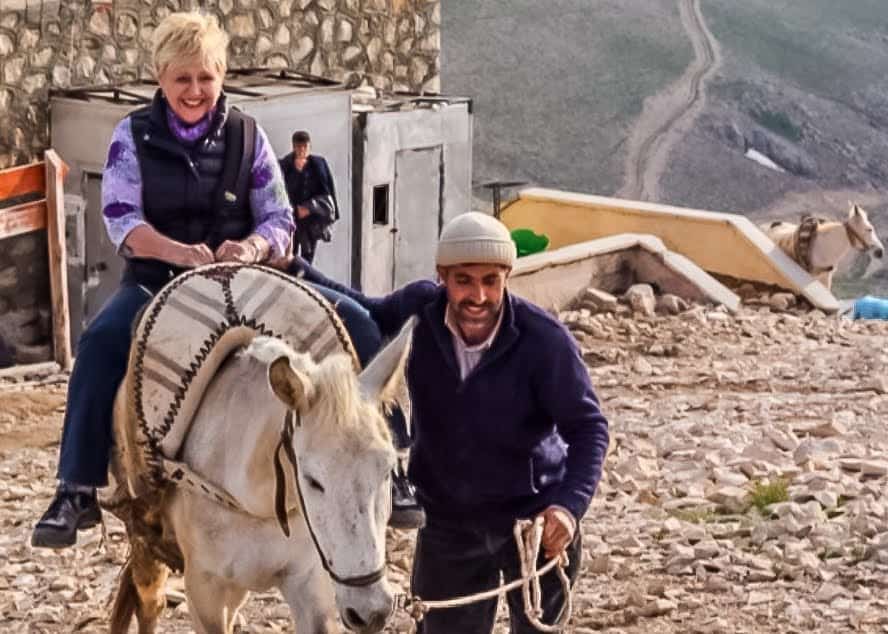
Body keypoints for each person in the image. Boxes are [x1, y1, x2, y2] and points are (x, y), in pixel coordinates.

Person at [285, 212, 610, 633]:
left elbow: (589, 428)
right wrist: (295, 269)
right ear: (442, 277)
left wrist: (568, 508)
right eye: (464, 281)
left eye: (491, 281)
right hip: (448, 525)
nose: (479, 295)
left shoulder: (543, 342)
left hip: (531, 525)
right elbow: (365, 313)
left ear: (506, 277)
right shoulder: (419, 310)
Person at [278, 130, 339, 264]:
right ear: (294, 147)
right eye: (299, 147)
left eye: (305, 147)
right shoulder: (284, 165)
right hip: (291, 219)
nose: (302, 150)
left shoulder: (318, 165)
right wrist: (294, 210)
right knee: (289, 257)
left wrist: (311, 208)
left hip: (310, 220)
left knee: (308, 256)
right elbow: (279, 193)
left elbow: (327, 191)